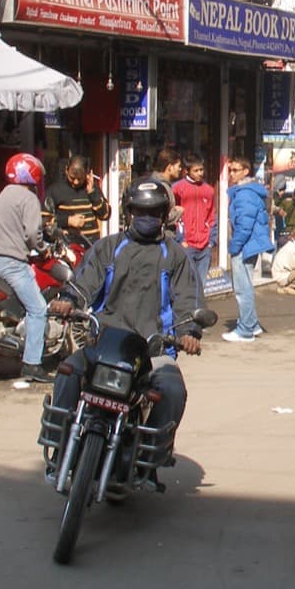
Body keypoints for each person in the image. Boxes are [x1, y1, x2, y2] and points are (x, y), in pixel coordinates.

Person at [48, 178, 201, 463]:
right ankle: (59, 443)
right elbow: (84, 283)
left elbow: (187, 301)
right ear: (129, 212)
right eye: (140, 211)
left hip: (153, 350)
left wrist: (189, 331)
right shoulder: (107, 248)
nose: (146, 218)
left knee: (172, 390)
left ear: (164, 215)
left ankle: (147, 457)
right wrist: (68, 301)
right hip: (103, 344)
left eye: (154, 212)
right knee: (68, 372)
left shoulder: (176, 256)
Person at [0, 152, 51, 383]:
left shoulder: (5, 193)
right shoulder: (28, 198)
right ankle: (32, 364)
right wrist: (43, 249)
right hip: (10, 263)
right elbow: (32, 233)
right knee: (38, 308)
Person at [222, 155, 271, 343]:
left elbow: (244, 225)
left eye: (235, 170)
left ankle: (245, 329)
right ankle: (252, 324)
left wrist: (234, 247)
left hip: (245, 245)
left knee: (243, 289)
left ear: (245, 171)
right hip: (250, 244)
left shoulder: (244, 194)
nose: (232, 173)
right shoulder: (246, 192)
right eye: (230, 170)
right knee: (245, 286)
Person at [172, 153, 217, 308]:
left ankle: (197, 315)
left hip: (205, 245)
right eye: (196, 170)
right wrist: (180, 239)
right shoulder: (177, 189)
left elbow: (212, 216)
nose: (200, 173)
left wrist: (211, 241)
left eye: (201, 170)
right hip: (187, 244)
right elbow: (173, 217)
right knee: (185, 283)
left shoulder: (209, 190)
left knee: (201, 284)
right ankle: (185, 314)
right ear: (187, 171)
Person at [43, 155, 108, 250]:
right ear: (66, 170)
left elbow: (105, 215)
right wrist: (67, 221)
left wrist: (92, 194)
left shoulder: (93, 189)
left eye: (80, 179)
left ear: (87, 173)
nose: (76, 182)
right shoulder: (55, 190)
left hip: (91, 249)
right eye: (72, 178)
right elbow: (44, 220)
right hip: (67, 250)